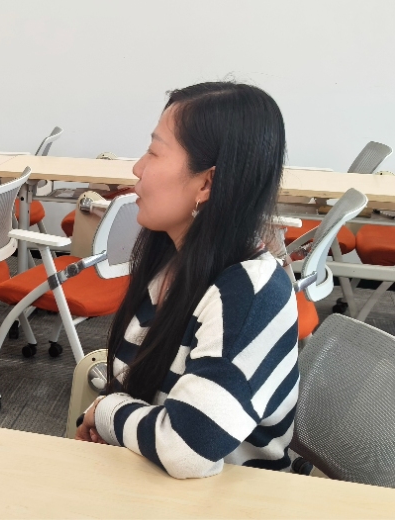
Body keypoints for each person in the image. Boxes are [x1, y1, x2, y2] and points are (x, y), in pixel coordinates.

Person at [76, 82, 299, 479]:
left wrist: (106, 412)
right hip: (152, 482)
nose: (138, 168)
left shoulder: (251, 294)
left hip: (232, 498)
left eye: (154, 152)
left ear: (207, 183)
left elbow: (186, 448)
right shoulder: (171, 265)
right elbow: (136, 387)